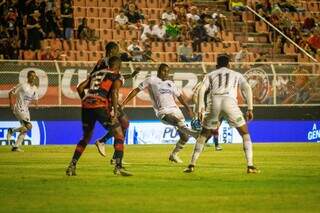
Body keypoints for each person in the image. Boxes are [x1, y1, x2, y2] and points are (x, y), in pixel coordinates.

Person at [184, 54, 260, 174]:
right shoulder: (237, 74)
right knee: (245, 133)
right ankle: (250, 165)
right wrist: (250, 109)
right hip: (230, 102)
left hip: (214, 102)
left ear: (217, 65)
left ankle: (191, 164)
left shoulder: (210, 75)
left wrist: (200, 109)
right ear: (229, 64)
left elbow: (201, 90)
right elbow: (247, 88)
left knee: (203, 135)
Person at [66, 56, 132, 176]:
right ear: (118, 67)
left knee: (86, 138)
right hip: (100, 105)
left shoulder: (96, 73)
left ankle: (72, 165)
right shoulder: (116, 76)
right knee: (119, 133)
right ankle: (118, 167)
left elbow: (80, 88)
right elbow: (114, 92)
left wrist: (86, 101)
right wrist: (115, 111)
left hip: (86, 106)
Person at [121, 63, 198, 163]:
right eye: (164, 71)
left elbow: (180, 97)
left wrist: (189, 109)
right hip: (163, 111)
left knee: (184, 137)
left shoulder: (171, 83)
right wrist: (124, 103)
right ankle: (195, 134)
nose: (166, 73)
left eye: (167, 71)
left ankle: (173, 155)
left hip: (175, 110)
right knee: (177, 122)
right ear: (158, 71)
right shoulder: (150, 80)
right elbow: (136, 90)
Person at [93, 42, 139, 165]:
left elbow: (117, 76)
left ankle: (112, 153)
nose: (118, 52)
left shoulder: (103, 62)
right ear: (112, 50)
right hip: (106, 99)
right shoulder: (107, 62)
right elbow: (111, 79)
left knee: (124, 124)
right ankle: (113, 154)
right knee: (120, 127)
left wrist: (132, 75)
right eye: (117, 50)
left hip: (107, 97)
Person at [6, 71, 39, 152]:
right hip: (19, 108)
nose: (33, 77)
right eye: (31, 76)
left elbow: (35, 99)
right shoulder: (22, 85)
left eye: (34, 76)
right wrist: (11, 104)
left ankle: (16, 147)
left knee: (25, 129)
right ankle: (11, 130)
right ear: (28, 77)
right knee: (29, 126)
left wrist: (36, 105)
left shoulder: (35, 88)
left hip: (26, 110)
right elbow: (10, 92)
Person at [191, 77, 222, 151]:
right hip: (202, 109)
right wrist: (200, 106)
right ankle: (212, 144)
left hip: (210, 108)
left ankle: (204, 143)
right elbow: (194, 96)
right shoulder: (201, 85)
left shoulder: (212, 86)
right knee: (208, 128)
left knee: (213, 127)